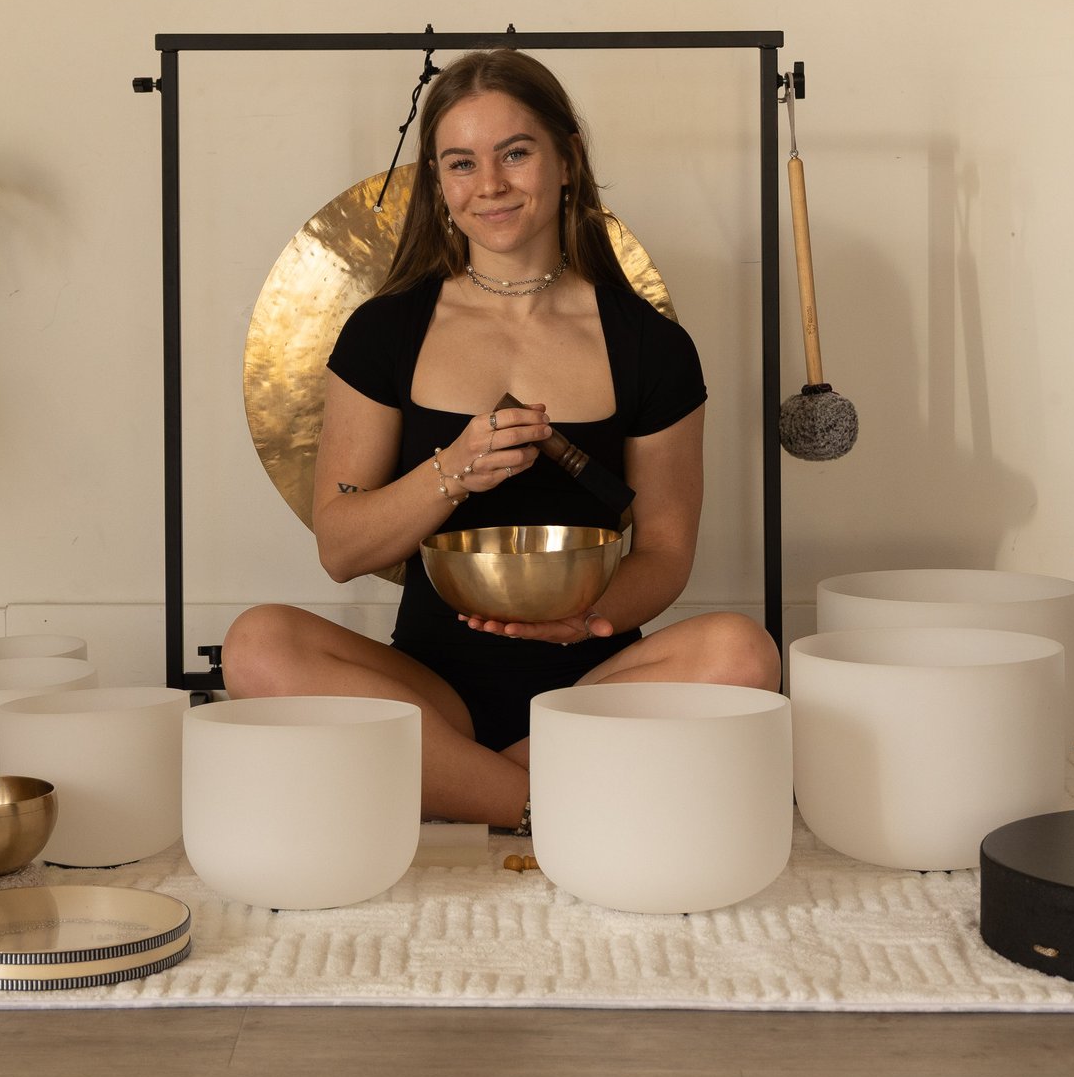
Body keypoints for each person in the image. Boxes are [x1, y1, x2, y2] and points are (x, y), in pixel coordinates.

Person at [220, 49, 779, 828]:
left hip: (592, 685)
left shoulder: (650, 346)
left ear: (565, 161)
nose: (490, 184)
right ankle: (542, 799)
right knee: (255, 644)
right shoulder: (387, 331)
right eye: (461, 162)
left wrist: (585, 621)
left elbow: (665, 553)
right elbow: (341, 547)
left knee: (745, 653)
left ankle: (455, 786)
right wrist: (451, 470)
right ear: (440, 183)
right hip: (428, 689)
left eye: (515, 152)